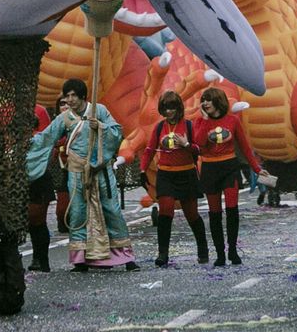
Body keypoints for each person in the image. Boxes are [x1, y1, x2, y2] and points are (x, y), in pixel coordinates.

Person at [25, 79, 136, 271]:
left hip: (101, 169)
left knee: (111, 209)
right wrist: (27, 143)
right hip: (77, 171)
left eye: (73, 95)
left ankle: (126, 257)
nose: (69, 99)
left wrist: (101, 126)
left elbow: (117, 132)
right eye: (67, 96)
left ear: (82, 96)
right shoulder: (64, 118)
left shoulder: (99, 110)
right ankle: (81, 259)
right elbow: (47, 137)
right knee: (77, 211)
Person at [193, 87, 263, 266]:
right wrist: (205, 120)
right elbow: (199, 143)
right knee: (214, 213)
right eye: (203, 99)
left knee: (232, 209)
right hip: (209, 168)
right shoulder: (200, 121)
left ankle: (232, 249)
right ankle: (220, 253)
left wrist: (256, 168)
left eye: (209, 99)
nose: (206, 103)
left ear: (218, 101)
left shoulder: (233, 120)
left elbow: (245, 146)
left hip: (229, 167)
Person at [140, 91, 209, 267]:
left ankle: (203, 249)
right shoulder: (159, 127)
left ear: (178, 108)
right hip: (166, 174)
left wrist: (186, 145)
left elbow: (198, 149)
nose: (169, 111)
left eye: (172, 108)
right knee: (165, 211)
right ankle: (163, 253)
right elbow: (149, 149)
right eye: (165, 108)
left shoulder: (188, 126)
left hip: (186, 173)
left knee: (191, 214)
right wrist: (142, 169)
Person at [25, 103, 59, 272]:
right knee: (35, 223)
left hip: (37, 182)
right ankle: (39, 259)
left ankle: (41, 260)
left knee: (36, 222)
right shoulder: (35, 140)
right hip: (33, 182)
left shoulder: (36, 140)